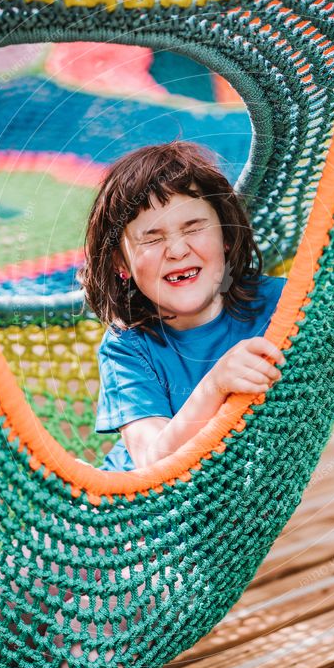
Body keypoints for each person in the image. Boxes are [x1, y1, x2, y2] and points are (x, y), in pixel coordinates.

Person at [79, 140, 287, 471]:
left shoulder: (283, 305)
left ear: (226, 235)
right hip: (134, 513)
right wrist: (215, 385)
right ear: (122, 263)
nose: (176, 250)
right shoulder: (128, 348)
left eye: (194, 227)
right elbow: (150, 461)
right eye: (151, 237)